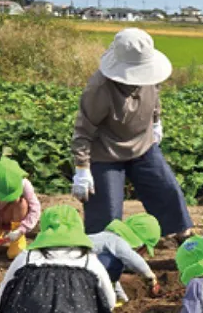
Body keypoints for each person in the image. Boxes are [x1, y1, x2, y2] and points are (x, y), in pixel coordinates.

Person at [70, 27, 193, 239]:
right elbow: (83, 130)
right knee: (106, 214)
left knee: (167, 190)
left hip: (143, 144)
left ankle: (183, 237)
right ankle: (104, 259)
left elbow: (154, 98)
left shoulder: (148, 77)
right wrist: (82, 168)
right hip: (106, 152)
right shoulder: (99, 89)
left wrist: (156, 121)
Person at [92, 213, 162, 305]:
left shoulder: (106, 240)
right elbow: (134, 260)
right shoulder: (117, 241)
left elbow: (109, 278)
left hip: (74, 270)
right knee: (116, 264)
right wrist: (150, 276)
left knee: (114, 266)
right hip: (77, 274)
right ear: (140, 244)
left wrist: (122, 298)